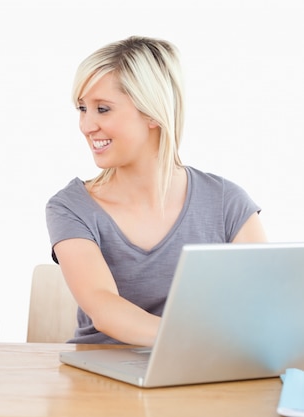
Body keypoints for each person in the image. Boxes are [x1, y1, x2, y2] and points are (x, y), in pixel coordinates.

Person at [45, 36, 267, 346]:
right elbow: (103, 306)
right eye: (83, 109)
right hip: (101, 379)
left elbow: (265, 304)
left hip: (203, 371)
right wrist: (200, 342)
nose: (86, 125)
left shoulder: (227, 202)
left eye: (103, 109)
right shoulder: (70, 207)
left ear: (152, 113)